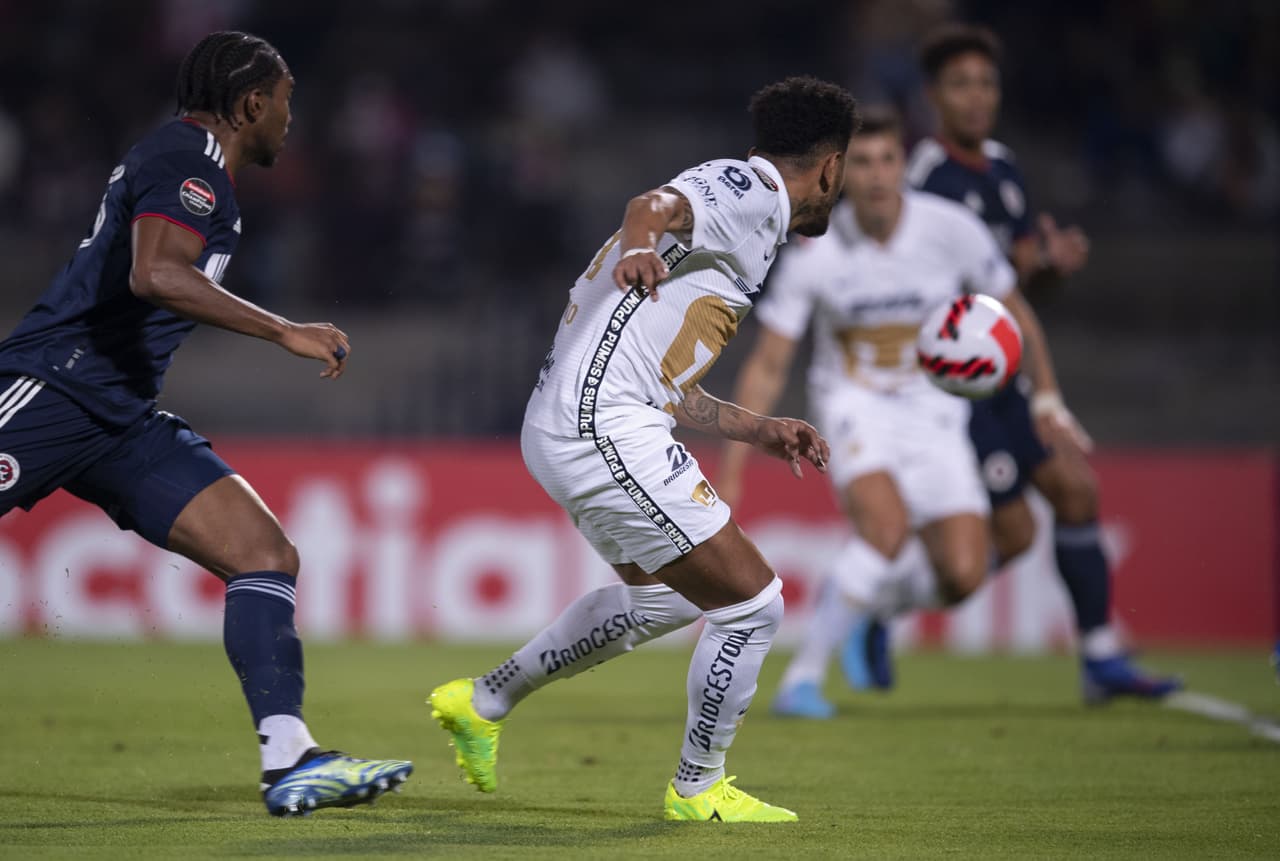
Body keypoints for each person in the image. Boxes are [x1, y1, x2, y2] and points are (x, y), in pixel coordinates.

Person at [0, 32, 412, 816]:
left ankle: (290, 759)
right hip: (54, 387)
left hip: (119, 415)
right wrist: (283, 329)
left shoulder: (197, 165)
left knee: (264, 553)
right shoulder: (187, 158)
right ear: (252, 103)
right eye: (285, 101)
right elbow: (155, 273)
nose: (290, 118)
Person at [426, 76, 858, 822]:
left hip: (584, 419)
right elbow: (650, 207)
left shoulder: (745, 231)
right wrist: (636, 248)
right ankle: (698, 787)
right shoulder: (752, 188)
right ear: (831, 168)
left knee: (667, 596)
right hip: (600, 424)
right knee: (754, 604)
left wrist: (758, 427)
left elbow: (667, 381)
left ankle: (484, 700)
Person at [904, 24, 1179, 703]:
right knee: (1017, 532)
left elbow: (1020, 285)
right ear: (934, 95)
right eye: (960, 84)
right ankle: (880, 607)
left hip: (1005, 379)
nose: (976, 97)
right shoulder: (925, 180)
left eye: (986, 83)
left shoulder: (1003, 170)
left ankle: (1101, 658)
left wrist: (1050, 266)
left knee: (1076, 492)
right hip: (952, 392)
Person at [718, 109, 1022, 717]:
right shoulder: (815, 255)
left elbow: (1010, 312)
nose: (878, 175)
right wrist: (733, 465)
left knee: (963, 574)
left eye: (888, 160)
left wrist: (1045, 400)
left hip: (936, 414)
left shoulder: (952, 230)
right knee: (885, 531)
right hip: (855, 407)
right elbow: (769, 363)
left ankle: (871, 609)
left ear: (903, 164)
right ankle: (801, 680)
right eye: (862, 162)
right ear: (838, 173)